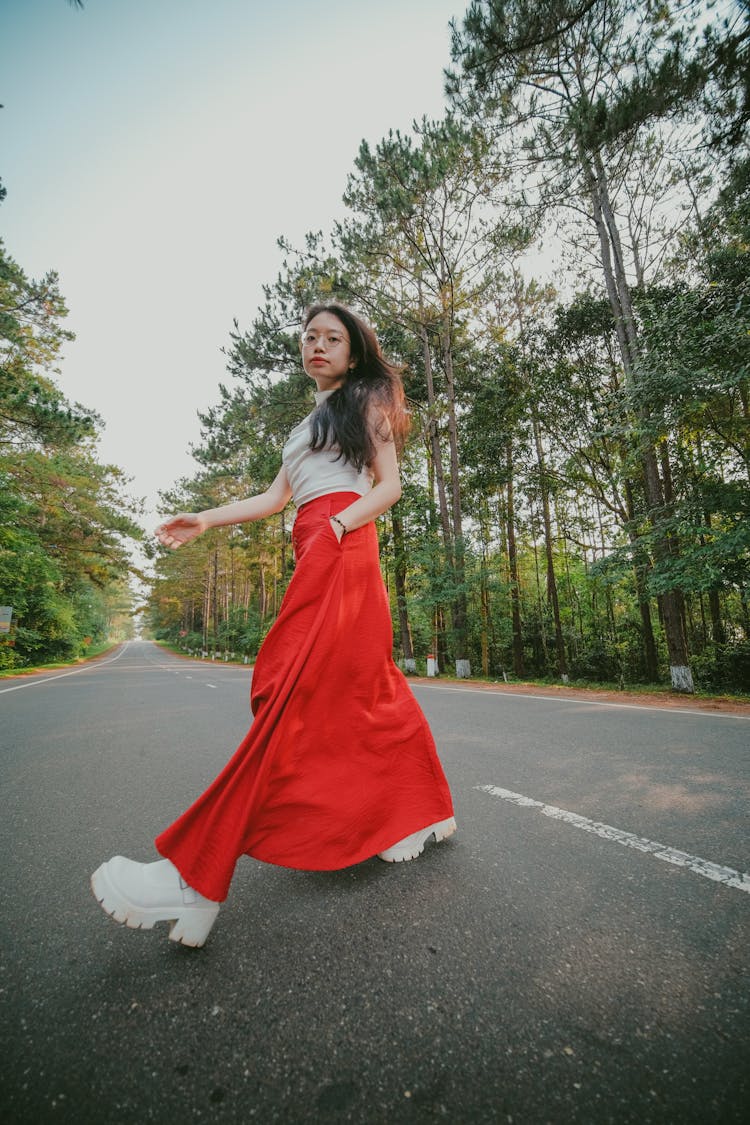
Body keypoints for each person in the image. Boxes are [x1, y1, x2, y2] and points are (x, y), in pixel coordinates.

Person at [91, 302, 456, 948]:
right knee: (362, 688)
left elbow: (390, 485)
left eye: (333, 337)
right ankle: (426, 809)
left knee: (290, 695)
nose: (318, 344)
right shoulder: (303, 426)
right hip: (312, 542)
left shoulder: (365, 400)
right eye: (310, 335)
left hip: (344, 540)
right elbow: (271, 500)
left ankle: (194, 878)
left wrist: (342, 526)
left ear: (353, 351)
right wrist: (202, 518)